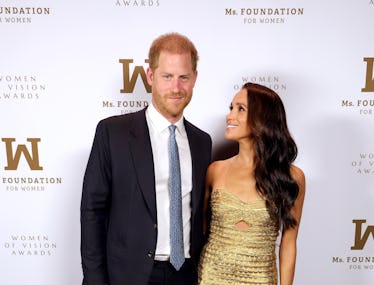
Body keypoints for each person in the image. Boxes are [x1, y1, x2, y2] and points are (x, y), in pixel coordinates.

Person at [80, 32, 212, 285]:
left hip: (187, 275)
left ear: (194, 78)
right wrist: (95, 279)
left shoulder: (202, 141)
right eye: (167, 76)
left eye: (183, 77)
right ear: (151, 76)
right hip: (129, 275)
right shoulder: (113, 133)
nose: (176, 88)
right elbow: (92, 211)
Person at [198, 82, 306, 285]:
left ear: (262, 118)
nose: (230, 116)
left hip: (261, 279)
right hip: (211, 277)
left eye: (241, 109)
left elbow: (289, 242)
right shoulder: (215, 170)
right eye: (231, 108)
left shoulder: (292, 177)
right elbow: (200, 232)